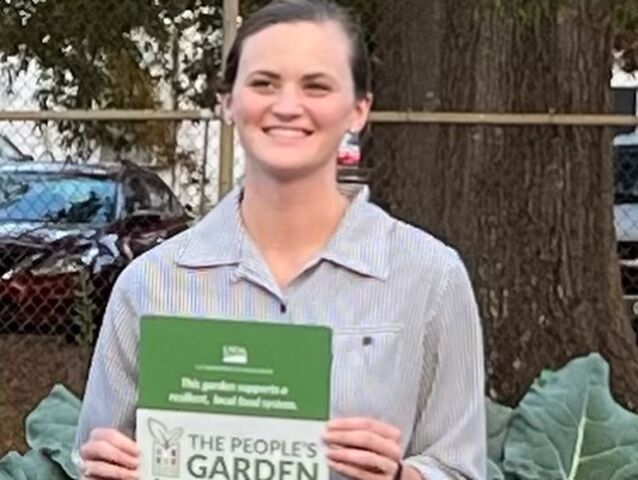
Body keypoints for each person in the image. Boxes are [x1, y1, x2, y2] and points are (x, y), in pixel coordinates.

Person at [74, 1, 487, 479]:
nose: (287, 106)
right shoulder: (150, 283)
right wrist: (104, 467)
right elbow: (95, 456)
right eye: (263, 83)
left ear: (358, 109)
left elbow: (460, 469)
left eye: (317, 85)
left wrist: (401, 477)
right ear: (227, 102)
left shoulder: (430, 276)